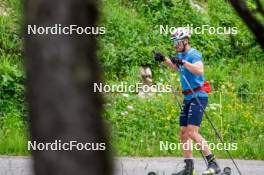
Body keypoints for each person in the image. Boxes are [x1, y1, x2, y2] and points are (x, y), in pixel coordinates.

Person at [154, 27, 220, 175]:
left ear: (185, 41)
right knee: (183, 132)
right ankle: (189, 168)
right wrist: (164, 59)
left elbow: (199, 70)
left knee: (192, 132)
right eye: (173, 42)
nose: (175, 45)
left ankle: (213, 164)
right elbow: (178, 68)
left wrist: (183, 62)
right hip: (188, 97)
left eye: (176, 42)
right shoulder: (180, 54)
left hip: (199, 96)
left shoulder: (193, 53)